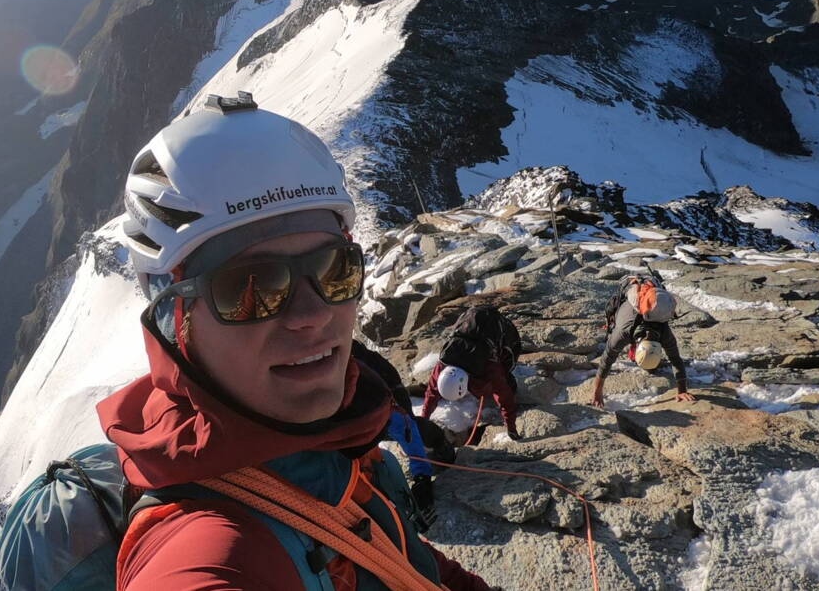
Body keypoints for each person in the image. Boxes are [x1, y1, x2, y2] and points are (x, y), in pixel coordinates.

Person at [98, 96, 494, 590]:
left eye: (335, 269)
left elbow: (406, 564)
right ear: (174, 317)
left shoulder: (336, 445)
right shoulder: (205, 549)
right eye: (251, 288)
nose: (312, 316)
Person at [352, 341, 439, 532]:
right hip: (366, 411)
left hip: (386, 398)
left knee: (414, 430)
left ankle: (441, 457)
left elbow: (407, 429)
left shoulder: (382, 404)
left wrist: (422, 477)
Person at [420, 306, 522, 444]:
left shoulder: (490, 368)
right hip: (470, 321)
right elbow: (432, 392)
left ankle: (511, 383)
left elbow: (504, 397)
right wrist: (424, 419)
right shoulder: (444, 363)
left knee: (505, 375)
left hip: (500, 328)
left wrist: (511, 427)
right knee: (482, 388)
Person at [590, 275, 694, 406]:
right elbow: (607, 358)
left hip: (652, 303)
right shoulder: (622, 332)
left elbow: (675, 358)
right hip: (630, 299)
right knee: (636, 357)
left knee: (651, 367)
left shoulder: (664, 332)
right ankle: (638, 356)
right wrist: (597, 391)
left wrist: (682, 391)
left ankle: (644, 360)